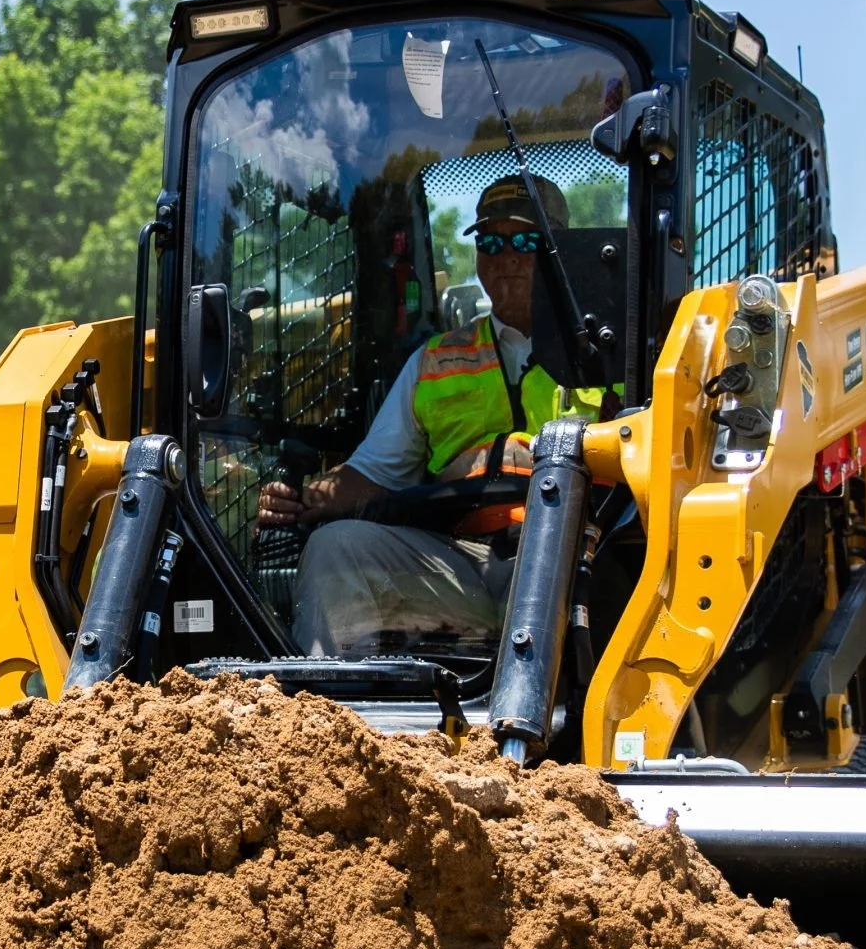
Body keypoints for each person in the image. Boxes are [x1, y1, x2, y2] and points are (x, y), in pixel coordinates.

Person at [257, 174, 606, 656]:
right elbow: (372, 473)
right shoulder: (436, 360)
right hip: (463, 563)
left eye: (525, 240)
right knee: (336, 548)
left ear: (559, 251)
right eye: (490, 241)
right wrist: (296, 498)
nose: (505, 257)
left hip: (578, 556)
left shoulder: (608, 354)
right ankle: (326, 720)